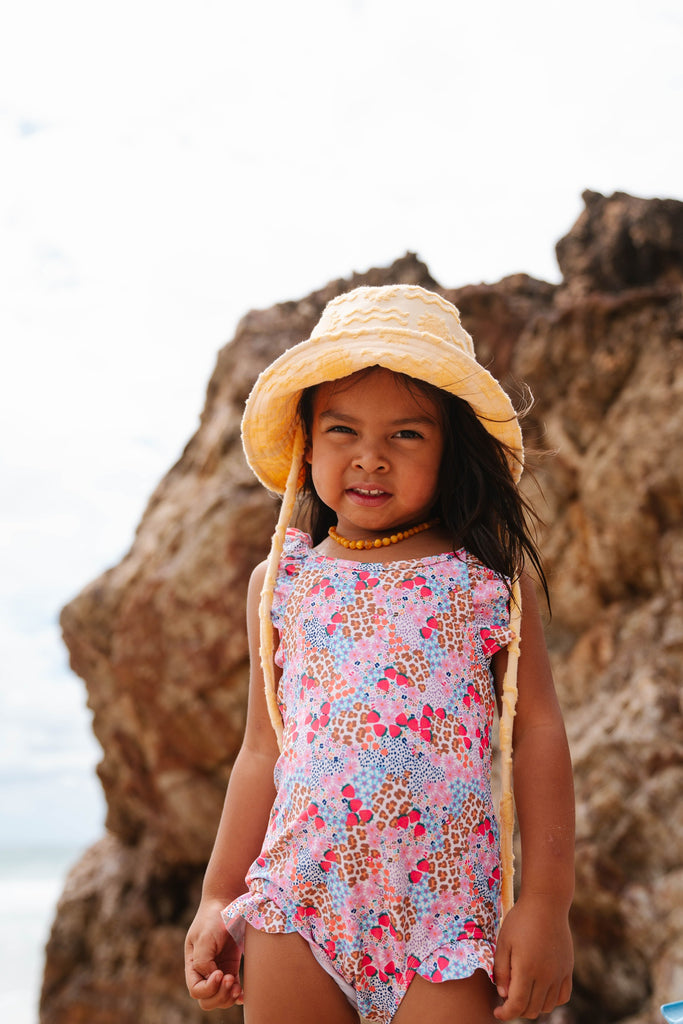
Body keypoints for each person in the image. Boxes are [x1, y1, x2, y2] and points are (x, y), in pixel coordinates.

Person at [184, 284, 574, 1023]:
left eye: (405, 435)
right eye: (341, 431)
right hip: (298, 903)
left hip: (445, 910)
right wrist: (216, 894)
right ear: (304, 438)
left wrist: (546, 903)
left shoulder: (485, 579)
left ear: (450, 447)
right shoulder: (281, 585)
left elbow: (537, 734)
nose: (370, 458)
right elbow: (262, 751)